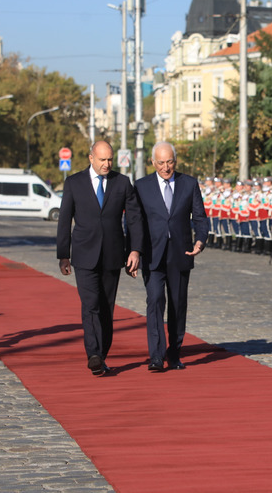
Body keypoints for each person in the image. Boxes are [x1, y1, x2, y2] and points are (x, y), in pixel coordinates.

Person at [57, 141, 142, 376]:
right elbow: (64, 219)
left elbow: (134, 219)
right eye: (102, 160)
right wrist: (63, 254)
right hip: (84, 255)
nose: (107, 164)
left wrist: (135, 250)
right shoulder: (74, 183)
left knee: (106, 308)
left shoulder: (122, 183)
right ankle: (93, 353)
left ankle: (101, 355)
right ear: (91, 158)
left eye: (110, 160)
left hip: (113, 255)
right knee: (90, 304)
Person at [133, 142, 209, 371]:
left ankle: (174, 353)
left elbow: (200, 217)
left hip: (180, 253)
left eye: (170, 162)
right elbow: (134, 222)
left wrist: (200, 240)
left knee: (177, 305)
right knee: (155, 300)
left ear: (175, 161)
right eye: (161, 163)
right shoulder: (141, 186)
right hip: (152, 255)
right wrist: (134, 250)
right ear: (153, 162)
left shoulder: (189, 184)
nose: (166, 167)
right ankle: (156, 356)